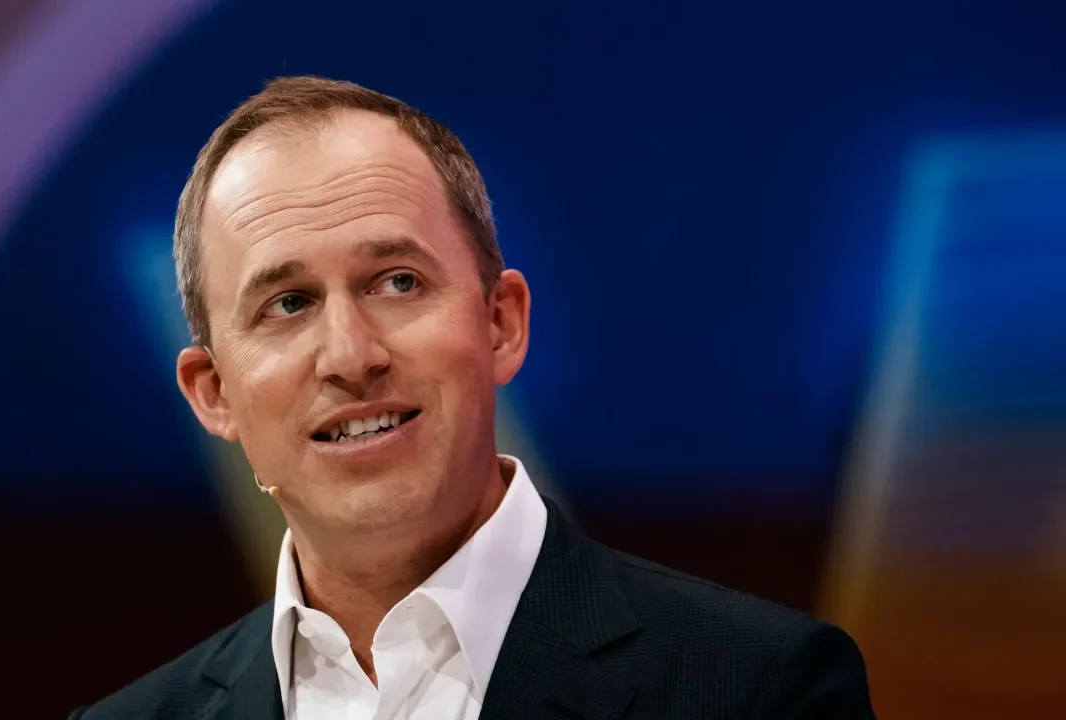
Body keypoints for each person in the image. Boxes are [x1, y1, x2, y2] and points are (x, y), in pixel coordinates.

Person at [72, 76, 874, 720]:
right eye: (287, 303)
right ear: (212, 394)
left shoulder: (759, 691)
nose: (352, 357)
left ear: (501, 324)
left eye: (397, 282)